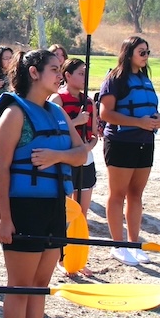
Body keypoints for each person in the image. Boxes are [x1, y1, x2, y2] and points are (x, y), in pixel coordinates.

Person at [0, 49, 88, 318]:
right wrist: (4, 218)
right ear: (33, 72)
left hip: (53, 207)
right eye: (54, 69)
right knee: (20, 287)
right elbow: (0, 169)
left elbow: (80, 154)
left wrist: (58, 154)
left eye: (61, 69)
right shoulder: (14, 114)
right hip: (23, 208)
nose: (60, 75)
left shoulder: (57, 111)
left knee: (40, 285)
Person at [98, 36, 160, 266]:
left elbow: (151, 109)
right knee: (118, 194)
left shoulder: (145, 79)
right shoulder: (115, 79)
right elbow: (105, 114)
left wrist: (159, 119)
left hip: (145, 142)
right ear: (129, 53)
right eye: (141, 52)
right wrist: (138, 123)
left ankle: (134, 244)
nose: (146, 56)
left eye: (147, 52)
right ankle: (118, 244)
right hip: (121, 142)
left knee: (136, 194)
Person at [50, 58, 98, 217]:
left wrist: (87, 147)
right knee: (64, 209)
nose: (85, 77)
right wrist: (77, 121)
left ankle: (78, 239)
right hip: (65, 156)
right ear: (68, 75)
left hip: (86, 156)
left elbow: (94, 135)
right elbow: (51, 129)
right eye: (81, 73)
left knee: (81, 211)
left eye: (86, 74)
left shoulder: (89, 102)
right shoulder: (57, 99)